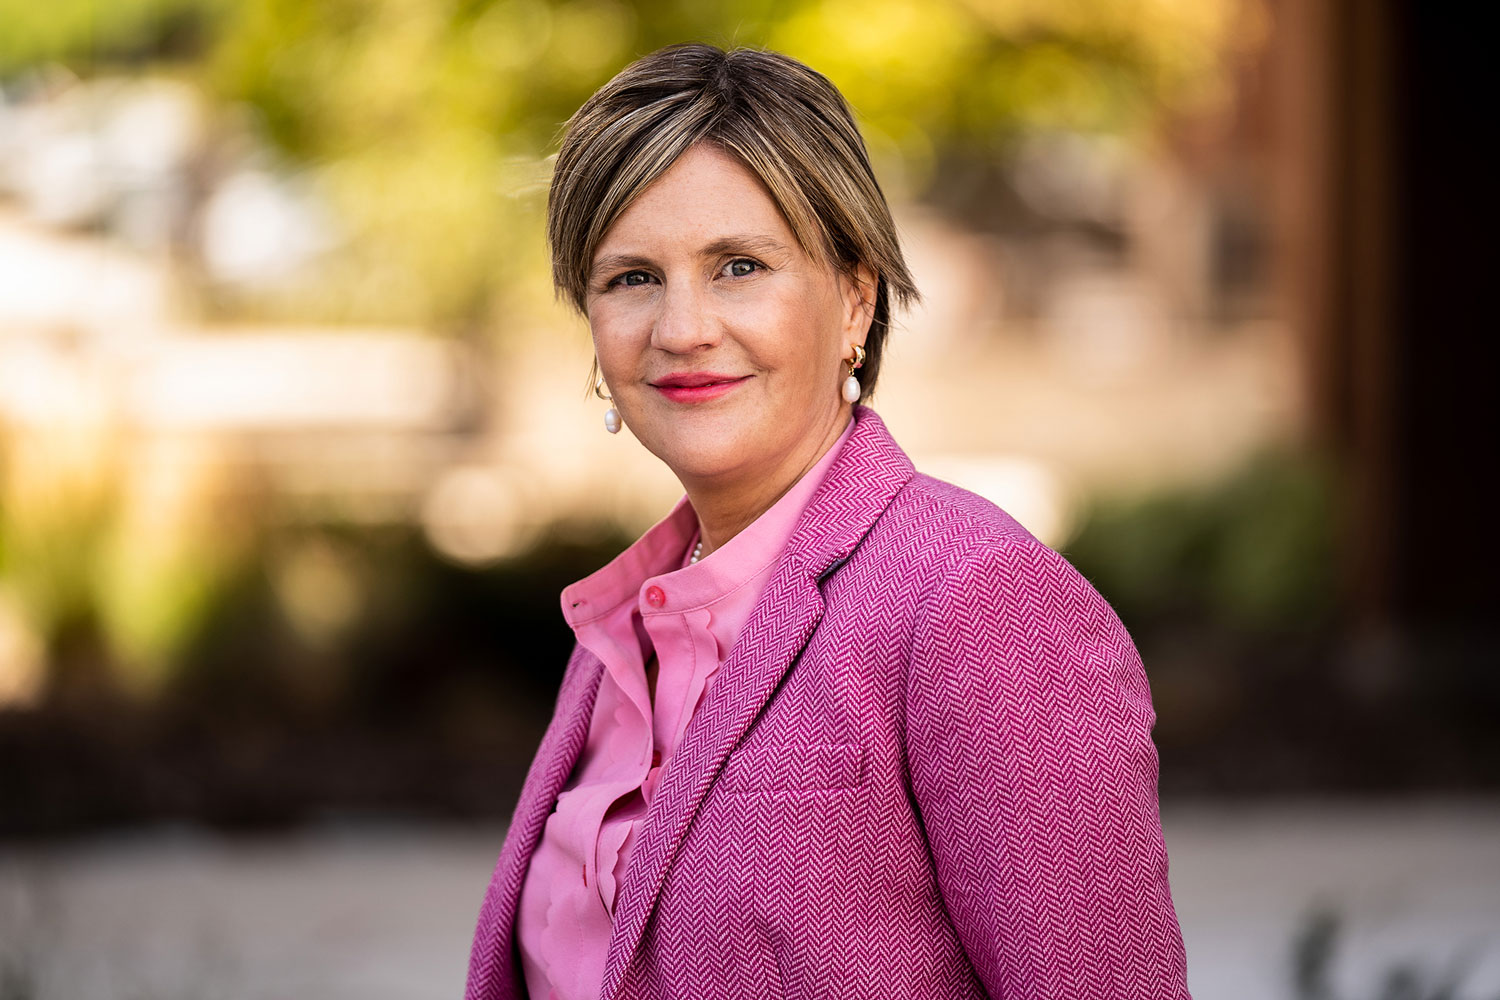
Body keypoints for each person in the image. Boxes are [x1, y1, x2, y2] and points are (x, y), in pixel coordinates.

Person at [466, 42, 1190, 1000]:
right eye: (632, 277)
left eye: (738, 266)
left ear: (855, 297)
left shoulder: (980, 605)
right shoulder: (621, 633)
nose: (682, 327)